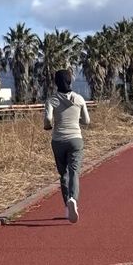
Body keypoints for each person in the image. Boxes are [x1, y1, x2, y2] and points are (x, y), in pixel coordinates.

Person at [44, 68, 90, 223]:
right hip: (76, 139)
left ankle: (67, 206)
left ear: (56, 82)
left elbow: (48, 119)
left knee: (63, 173)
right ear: (70, 81)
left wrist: (48, 126)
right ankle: (73, 199)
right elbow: (87, 121)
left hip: (58, 141)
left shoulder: (52, 100)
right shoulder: (79, 99)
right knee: (74, 172)